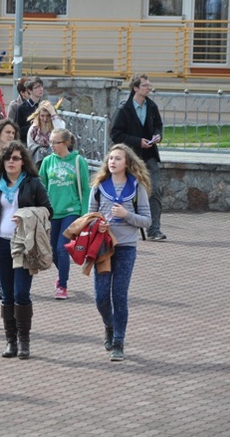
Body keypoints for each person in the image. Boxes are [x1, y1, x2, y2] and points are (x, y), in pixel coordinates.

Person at [0, 141, 52, 359]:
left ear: (23, 161)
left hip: (25, 245)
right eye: (7, 158)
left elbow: (48, 210)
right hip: (1, 244)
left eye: (15, 158)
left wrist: (27, 215)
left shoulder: (33, 183)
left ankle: (24, 341)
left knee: (21, 292)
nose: (11, 162)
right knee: (6, 294)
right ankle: (10, 341)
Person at [89, 144, 152, 361]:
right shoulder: (99, 187)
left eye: (117, 159)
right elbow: (89, 218)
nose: (113, 162)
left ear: (127, 163)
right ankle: (109, 324)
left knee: (119, 295)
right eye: (110, 158)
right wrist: (98, 226)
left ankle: (118, 341)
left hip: (126, 247)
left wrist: (126, 215)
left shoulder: (137, 188)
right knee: (101, 297)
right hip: (103, 247)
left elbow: (146, 220)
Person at [110, 74, 165, 241]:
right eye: (145, 85)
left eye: (149, 85)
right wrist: (137, 142)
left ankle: (154, 230)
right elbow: (115, 134)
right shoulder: (124, 109)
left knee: (155, 190)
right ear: (135, 88)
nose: (149, 88)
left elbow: (158, 126)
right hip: (130, 157)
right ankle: (122, 226)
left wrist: (157, 136)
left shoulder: (151, 106)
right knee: (127, 192)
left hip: (149, 155)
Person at [38, 128, 90, 300]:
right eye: (51, 142)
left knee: (62, 247)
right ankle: (63, 273)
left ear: (66, 143)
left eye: (56, 142)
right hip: (52, 212)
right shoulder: (47, 161)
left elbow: (85, 188)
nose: (52, 145)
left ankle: (62, 285)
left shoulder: (78, 160)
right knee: (52, 250)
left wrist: (83, 215)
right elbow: (41, 186)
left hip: (71, 211)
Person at [26, 100, 65, 168]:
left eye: (48, 116)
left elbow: (60, 133)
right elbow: (30, 145)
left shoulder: (59, 123)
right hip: (38, 160)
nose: (45, 119)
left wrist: (53, 113)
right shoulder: (34, 128)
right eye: (42, 116)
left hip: (55, 157)